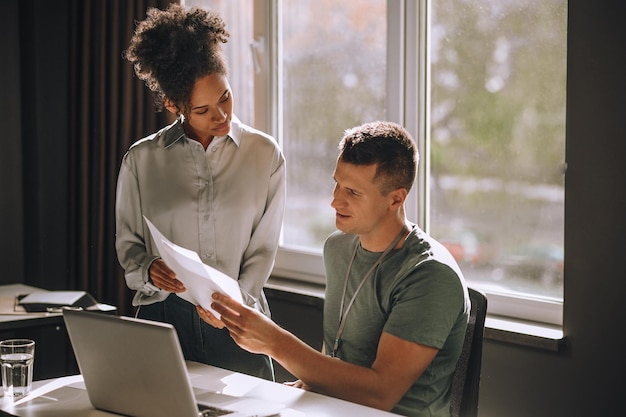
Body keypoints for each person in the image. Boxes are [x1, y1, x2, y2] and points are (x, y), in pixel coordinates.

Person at [198, 121, 470, 416]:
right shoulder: (338, 247)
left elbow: (380, 395)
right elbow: (339, 354)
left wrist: (274, 343)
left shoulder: (430, 275)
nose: (334, 201)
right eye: (337, 183)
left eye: (353, 192)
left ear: (396, 199)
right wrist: (306, 384)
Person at [115, 4, 285, 381]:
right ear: (175, 106)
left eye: (225, 97)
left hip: (239, 322)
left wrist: (235, 304)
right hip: (163, 321)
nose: (221, 116)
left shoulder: (265, 155)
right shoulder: (142, 161)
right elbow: (129, 246)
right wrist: (149, 269)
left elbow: (263, 250)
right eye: (204, 109)